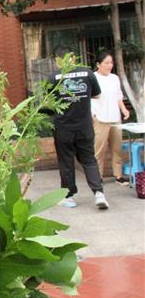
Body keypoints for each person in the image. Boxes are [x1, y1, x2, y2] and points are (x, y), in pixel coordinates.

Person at [49, 51, 108, 209]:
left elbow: (49, 104)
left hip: (63, 128)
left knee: (66, 162)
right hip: (84, 126)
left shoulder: (54, 77)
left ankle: (68, 197)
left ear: (58, 60)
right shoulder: (88, 73)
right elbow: (97, 95)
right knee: (89, 160)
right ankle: (99, 193)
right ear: (74, 58)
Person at [91, 52, 131, 185]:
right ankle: (98, 177)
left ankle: (118, 176)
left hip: (115, 118)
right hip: (100, 118)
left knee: (117, 148)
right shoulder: (93, 78)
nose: (109, 66)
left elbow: (118, 96)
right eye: (106, 63)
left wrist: (124, 109)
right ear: (98, 64)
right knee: (99, 150)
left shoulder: (115, 78)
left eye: (111, 63)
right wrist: (92, 114)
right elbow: (88, 99)